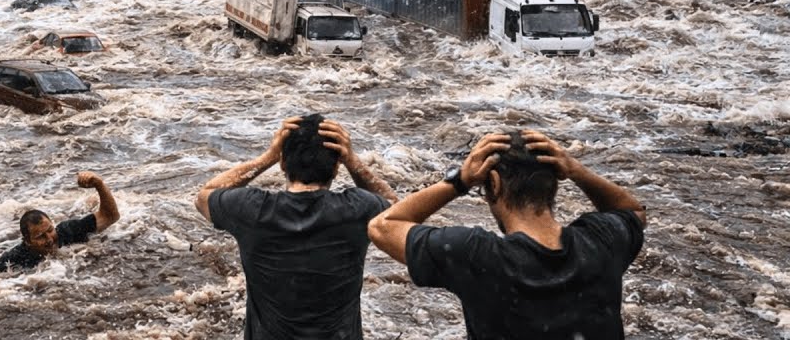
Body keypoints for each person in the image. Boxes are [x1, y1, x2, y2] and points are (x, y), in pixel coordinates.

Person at [368, 130, 647, 340]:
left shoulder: (477, 256)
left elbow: (382, 226)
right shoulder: (602, 241)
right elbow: (633, 211)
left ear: (494, 184)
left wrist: (460, 180)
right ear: (555, 182)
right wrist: (578, 170)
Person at [195, 114, 397, 340]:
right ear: (336, 169)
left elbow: (204, 197)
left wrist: (266, 157)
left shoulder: (253, 210)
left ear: (282, 163)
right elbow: (397, 213)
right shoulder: (357, 210)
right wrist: (353, 161)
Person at [0, 171, 120, 285]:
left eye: (50, 230)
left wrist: (99, 184)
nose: (49, 239)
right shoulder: (17, 258)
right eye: (40, 236)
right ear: (27, 241)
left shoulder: (68, 230)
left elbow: (110, 216)